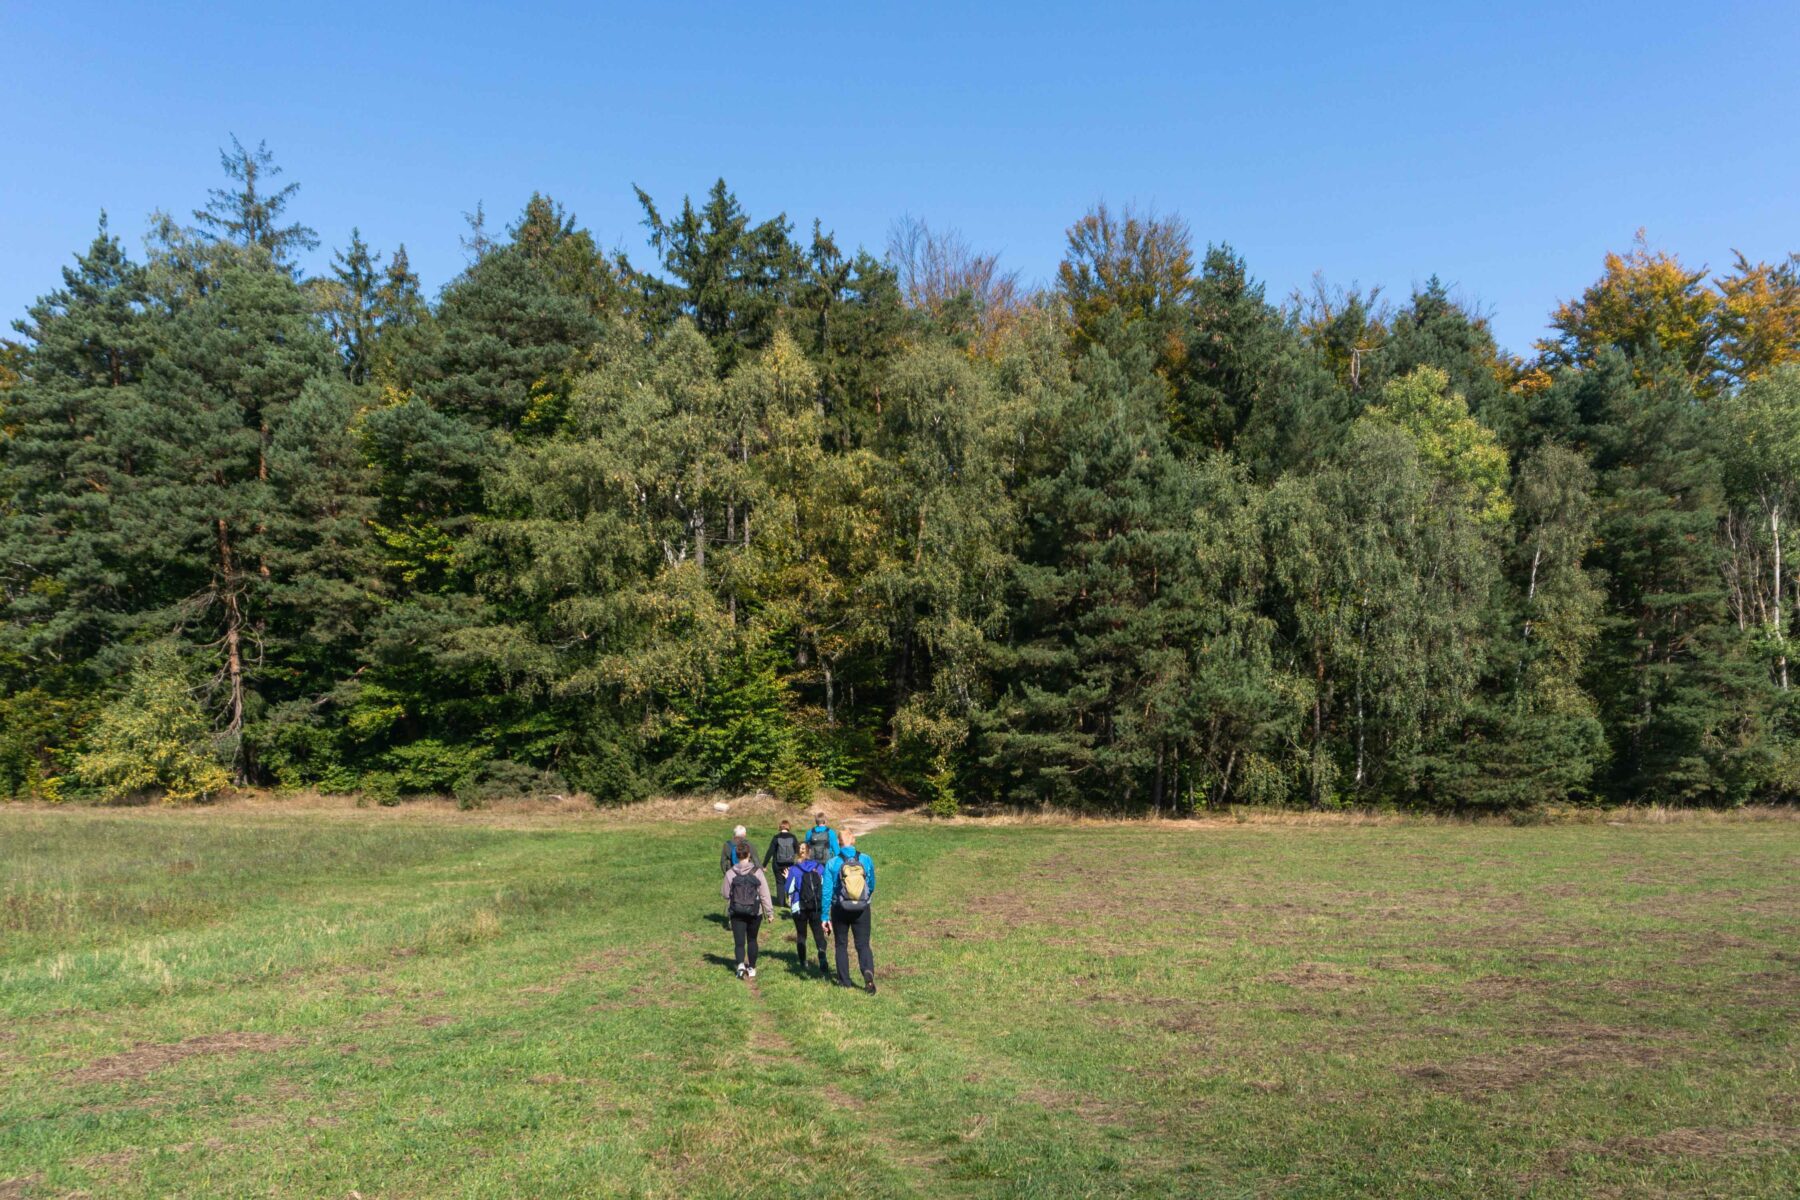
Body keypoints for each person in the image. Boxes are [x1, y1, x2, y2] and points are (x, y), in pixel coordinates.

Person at [821, 832, 877, 994]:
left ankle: (845, 982)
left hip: (840, 908)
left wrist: (824, 916)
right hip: (862, 908)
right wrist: (864, 898)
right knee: (863, 944)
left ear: (838, 842)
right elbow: (871, 884)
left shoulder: (832, 863)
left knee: (841, 944)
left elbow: (826, 891)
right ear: (853, 840)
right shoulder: (866, 859)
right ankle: (868, 973)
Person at [720, 836, 773, 979]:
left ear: (736, 856)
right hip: (755, 912)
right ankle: (752, 968)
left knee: (739, 942)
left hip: (736, 911)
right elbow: (765, 894)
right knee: (752, 940)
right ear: (749, 855)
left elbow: (725, 894)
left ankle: (740, 965)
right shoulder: (757, 872)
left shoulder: (731, 872)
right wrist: (769, 912)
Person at [782, 842, 829, 977]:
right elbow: (825, 885)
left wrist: (787, 878)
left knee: (801, 935)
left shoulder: (794, 869)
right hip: (816, 905)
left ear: (798, 853)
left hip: (799, 906)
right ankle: (821, 954)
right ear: (810, 852)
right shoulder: (819, 867)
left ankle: (803, 962)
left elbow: (788, 889)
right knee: (818, 933)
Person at [764, 820, 801, 905]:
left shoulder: (776, 837)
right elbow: (797, 850)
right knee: (790, 881)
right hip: (790, 864)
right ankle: (791, 901)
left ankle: (781, 903)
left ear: (780, 827)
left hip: (777, 864)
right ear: (788, 827)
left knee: (779, 883)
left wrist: (764, 865)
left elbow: (770, 851)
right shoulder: (793, 837)